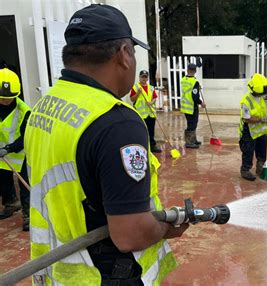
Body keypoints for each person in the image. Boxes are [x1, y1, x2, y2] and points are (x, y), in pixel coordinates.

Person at [24, 5, 188, 285]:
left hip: (59, 272)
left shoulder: (45, 105)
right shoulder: (116, 123)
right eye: (134, 53)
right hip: (104, 275)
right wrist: (165, 227)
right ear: (124, 55)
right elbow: (130, 233)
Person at [0, 68, 30, 231]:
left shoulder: (24, 111)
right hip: (2, 154)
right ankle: (11, 203)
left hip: (20, 153)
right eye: (3, 97)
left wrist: (9, 148)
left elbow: (25, 138)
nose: (5, 100)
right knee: (3, 181)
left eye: (9, 97)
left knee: (25, 185)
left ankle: (28, 215)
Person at [239, 73, 267, 181]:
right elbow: (246, 118)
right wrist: (262, 119)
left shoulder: (260, 94)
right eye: (261, 93)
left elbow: (266, 96)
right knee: (248, 150)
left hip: (261, 130)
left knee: (262, 149)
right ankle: (245, 170)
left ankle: (261, 167)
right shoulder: (246, 101)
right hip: (248, 130)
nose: (262, 95)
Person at [130, 69, 162, 153]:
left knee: (151, 130)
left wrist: (151, 102)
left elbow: (155, 97)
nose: (144, 79)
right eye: (142, 77)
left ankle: (152, 146)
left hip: (150, 113)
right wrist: (138, 93)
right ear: (139, 77)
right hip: (141, 114)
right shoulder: (136, 87)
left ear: (147, 78)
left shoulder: (151, 87)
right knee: (141, 131)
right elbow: (132, 99)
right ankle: (142, 146)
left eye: (145, 77)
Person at [180, 63, 205, 149]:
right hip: (192, 106)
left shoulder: (183, 80)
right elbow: (195, 97)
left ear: (187, 70)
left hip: (185, 106)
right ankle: (189, 142)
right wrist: (201, 103)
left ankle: (193, 140)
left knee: (190, 123)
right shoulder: (195, 82)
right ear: (195, 71)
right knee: (193, 124)